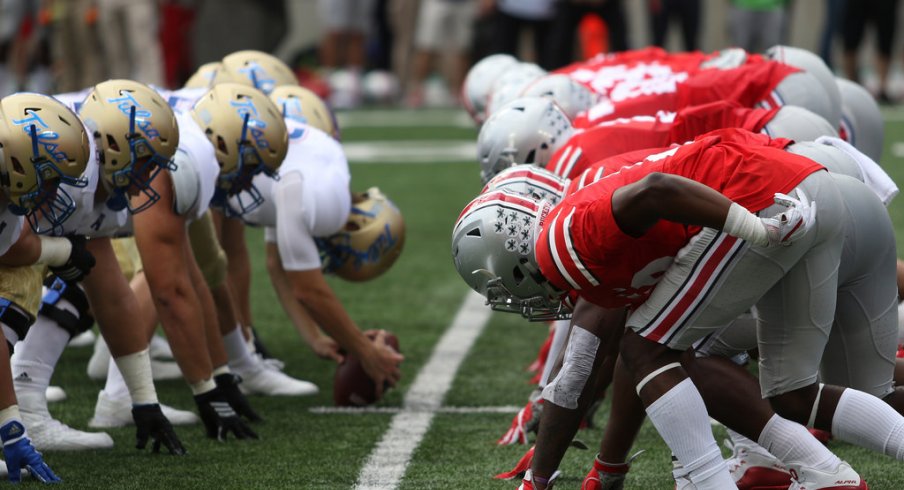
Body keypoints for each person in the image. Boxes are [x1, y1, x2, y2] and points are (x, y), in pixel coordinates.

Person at [453, 128, 904, 488]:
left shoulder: (563, 242)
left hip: (770, 200)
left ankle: (709, 478)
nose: (515, 300)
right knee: (793, 392)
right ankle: (829, 476)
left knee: (652, 348)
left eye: (504, 288)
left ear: (511, 255)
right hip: (809, 185)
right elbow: (580, 372)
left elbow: (656, 189)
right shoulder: (574, 221)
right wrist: (542, 478)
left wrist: (755, 229)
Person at [221, 85, 405, 393]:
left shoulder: (313, 160)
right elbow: (308, 289)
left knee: (207, 264)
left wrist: (315, 337)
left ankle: (239, 361)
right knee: (179, 274)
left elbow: (276, 263)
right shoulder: (315, 193)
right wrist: (365, 351)